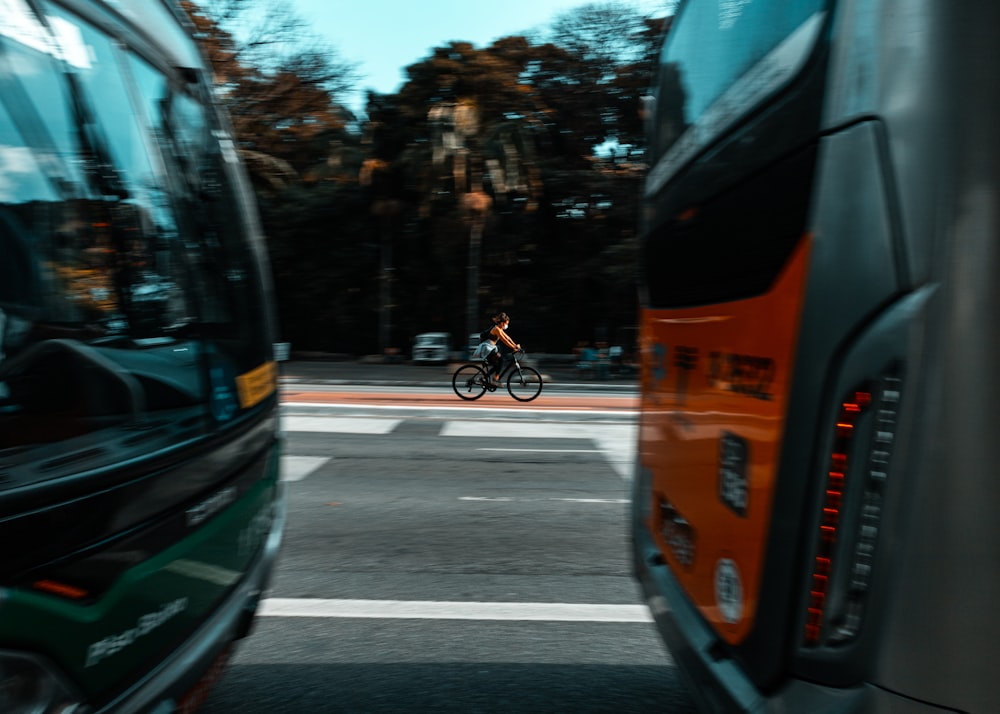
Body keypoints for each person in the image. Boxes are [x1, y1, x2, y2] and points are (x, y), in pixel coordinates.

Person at [480, 312, 521, 385]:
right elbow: (504, 340)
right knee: (501, 359)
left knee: (497, 364)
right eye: (506, 323)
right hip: (486, 349)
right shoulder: (496, 329)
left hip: (490, 348)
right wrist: (513, 347)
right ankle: (495, 379)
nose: (506, 325)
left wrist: (515, 345)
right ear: (502, 323)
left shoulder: (499, 328)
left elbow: (507, 337)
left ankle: (485, 378)